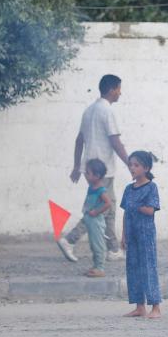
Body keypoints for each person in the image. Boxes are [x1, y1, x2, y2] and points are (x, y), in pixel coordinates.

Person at [62, 74, 128, 262]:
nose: (120, 93)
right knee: (103, 208)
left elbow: (79, 140)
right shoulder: (107, 111)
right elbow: (115, 141)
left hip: (90, 168)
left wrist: (77, 166)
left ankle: (113, 249)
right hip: (103, 168)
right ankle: (70, 240)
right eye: (119, 89)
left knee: (109, 207)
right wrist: (131, 163)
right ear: (111, 89)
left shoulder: (89, 110)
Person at [120, 151, 161, 318]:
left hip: (146, 235)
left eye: (136, 165)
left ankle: (156, 307)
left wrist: (137, 206)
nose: (132, 168)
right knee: (133, 269)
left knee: (148, 269)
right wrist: (123, 235)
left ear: (146, 168)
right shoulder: (128, 189)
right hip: (132, 234)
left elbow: (151, 210)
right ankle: (139, 307)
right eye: (131, 165)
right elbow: (125, 212)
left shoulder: (151, 187)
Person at [58, 159, 112, 277]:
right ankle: (95, 266)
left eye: (88, 173)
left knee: (98, 244)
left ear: (97, 176)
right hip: (89, 219)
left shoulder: (100, 190)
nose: (85, 175)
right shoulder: (92, 187)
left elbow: (108, 203)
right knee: (93, 244)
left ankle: (100, 268)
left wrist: (96, 212)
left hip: (96, 221)